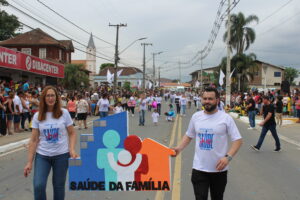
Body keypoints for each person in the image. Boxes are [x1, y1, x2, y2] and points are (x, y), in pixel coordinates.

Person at [173, 87, 242, 200]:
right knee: (200, 197)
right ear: (201, 99)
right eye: (205, 98)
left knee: (217, 197)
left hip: (219, 170)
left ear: (217, 100)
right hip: (199, 169)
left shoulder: (226, 118)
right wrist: (179, 148)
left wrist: (227, 158)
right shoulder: (196, 117)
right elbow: (189, 135)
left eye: (210, 98)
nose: (207, 101)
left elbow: (238, 140)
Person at [23, 86, 78, 200]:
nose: (50, 98)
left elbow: (72, 133)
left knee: (58, 187)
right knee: (39, 185)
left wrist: (71, 150)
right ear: (43, 98)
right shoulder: (37, 116)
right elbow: (33, 140)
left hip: (61, 156)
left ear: (57, 98)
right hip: (42, 156)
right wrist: (29, 162)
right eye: (47, 96)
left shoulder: (64, 113)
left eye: (52, 95)